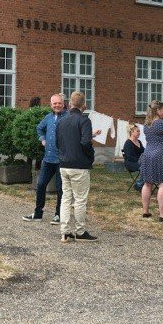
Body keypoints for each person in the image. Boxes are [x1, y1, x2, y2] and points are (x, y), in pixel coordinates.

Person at [56, 90, 98, 242]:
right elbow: (86, 142)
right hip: (79, 165)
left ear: (70, 104)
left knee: (66, 198)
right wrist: (90, 155)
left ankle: (65, 231)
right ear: (84, 105)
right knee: (80, 199)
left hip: (64, 164)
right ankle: (80, 231)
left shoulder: (61, 121)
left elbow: (57, 142)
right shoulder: (84, 120)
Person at [23, 93, 67, 223]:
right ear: (51, 105)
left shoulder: (68, 117)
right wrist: (42, 139)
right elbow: (39, 129)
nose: (57, 105)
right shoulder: (48, 117)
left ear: (63, 104)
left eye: (59, 103)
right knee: (41, 185)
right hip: (48, 159)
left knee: (60, 188)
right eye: (55, 103)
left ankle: (58, 214)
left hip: (61, 160)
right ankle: (37, 214)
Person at [139, 100, 163, 221]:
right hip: (161, 153)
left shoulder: (146, 124)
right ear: (159, 110)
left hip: (147, 153)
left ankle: (145, 211)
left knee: (147, 183)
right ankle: (162, 215)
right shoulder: (162, 123)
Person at [122, 124, 144, 190]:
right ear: (132, 132)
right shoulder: (128, 143)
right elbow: (129, 157)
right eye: (137, 131)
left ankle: (146, 185)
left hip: (140, 161)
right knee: (145, 168)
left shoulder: (139, 142)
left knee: (150, 166)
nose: (139, 133)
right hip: (130, 163)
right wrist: (140, 161)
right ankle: (139, 184)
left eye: (139, 131)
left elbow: (144, 152)